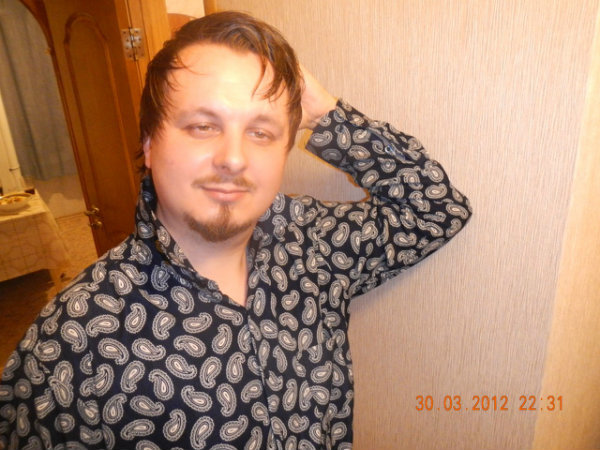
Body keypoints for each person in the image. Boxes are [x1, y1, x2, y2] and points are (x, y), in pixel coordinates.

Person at [0, 11, 471, 450]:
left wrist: (325, 113)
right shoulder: (70, 345)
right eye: (203, 126)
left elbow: (434, 210)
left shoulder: (313, 243)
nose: (233, 158)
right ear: (149, 143)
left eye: (261, 132)